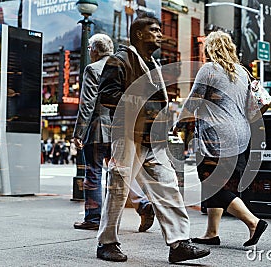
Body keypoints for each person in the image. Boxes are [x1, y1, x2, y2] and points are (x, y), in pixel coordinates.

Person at [96, 15, 210, 263]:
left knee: (168, 187)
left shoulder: (154, 64)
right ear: (139, 34)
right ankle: (106, 243)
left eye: (160, 30)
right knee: (118, 188)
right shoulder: (120, 60)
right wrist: (143, 105)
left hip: (152, 138)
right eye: (154, 30)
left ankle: (179, 243)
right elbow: (106, 96)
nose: (160, 34)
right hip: (127, 134)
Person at [173, 31, 268, 247]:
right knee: (223, 184)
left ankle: (253, 222)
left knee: (212, 184)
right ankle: (211, 233)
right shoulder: (243, 72)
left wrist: (178, 124)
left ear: (209, 49)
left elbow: (192, 102)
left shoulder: (209, 70)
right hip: (242, 136)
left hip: (216, 138)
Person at [73, 33, 154, 232]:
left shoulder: (93, 68)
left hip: (98, 129)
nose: (89, 51)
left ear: (94, 50)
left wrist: (78, 132)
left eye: (90, 48)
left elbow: (88, 102)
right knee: (121, 171)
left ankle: (93, 217)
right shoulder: (122, 66)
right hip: (120, 129)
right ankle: (142, 204)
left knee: (93, 172)